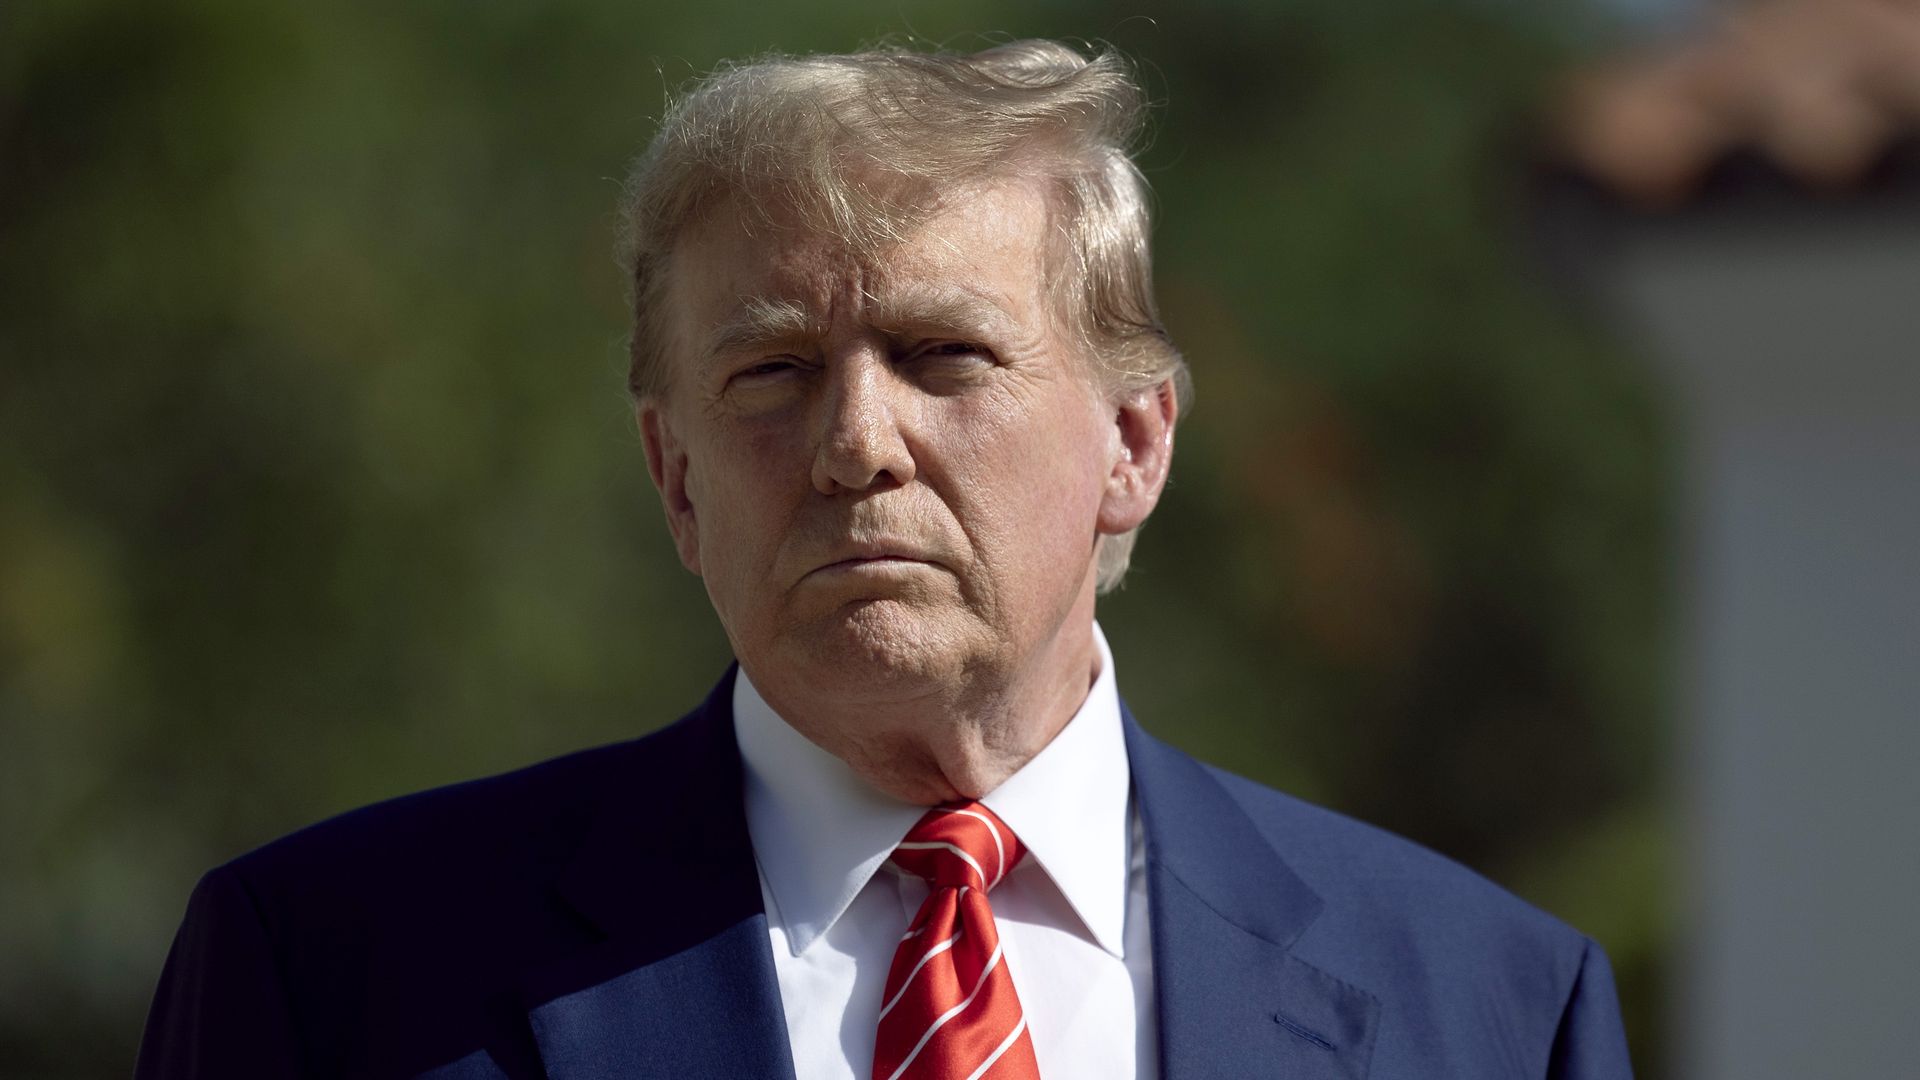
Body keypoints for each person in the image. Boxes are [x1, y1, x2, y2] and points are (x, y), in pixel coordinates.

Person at [136, 40, 1633, 1080]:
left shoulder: (1488, 1004)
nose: (857, 440)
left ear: (1134, 442)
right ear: (674, 477)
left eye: (940, 352)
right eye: (772, 371)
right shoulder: (334, 971)